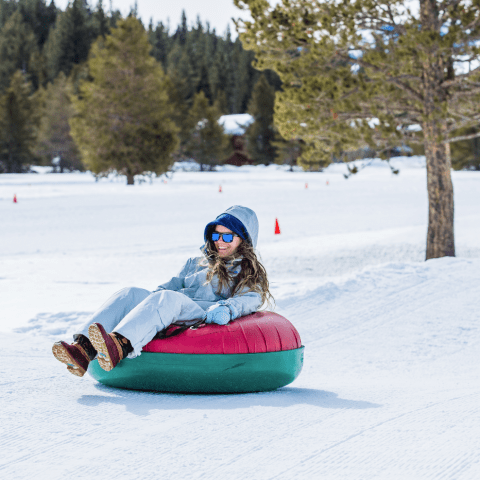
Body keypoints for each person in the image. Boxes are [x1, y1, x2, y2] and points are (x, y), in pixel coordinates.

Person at [52, 205, 273, 377]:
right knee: (131, 293)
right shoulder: (196, 263)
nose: (220, 242)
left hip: (204, 315)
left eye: (228, 237)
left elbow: (252, 298)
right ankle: (82, 350)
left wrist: (228, 308)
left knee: (169, 299)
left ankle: (120, 345)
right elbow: (171, 286)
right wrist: (147, 302)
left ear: (243, 240)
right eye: (216, 235)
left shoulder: (248, 272)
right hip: (174, 306)